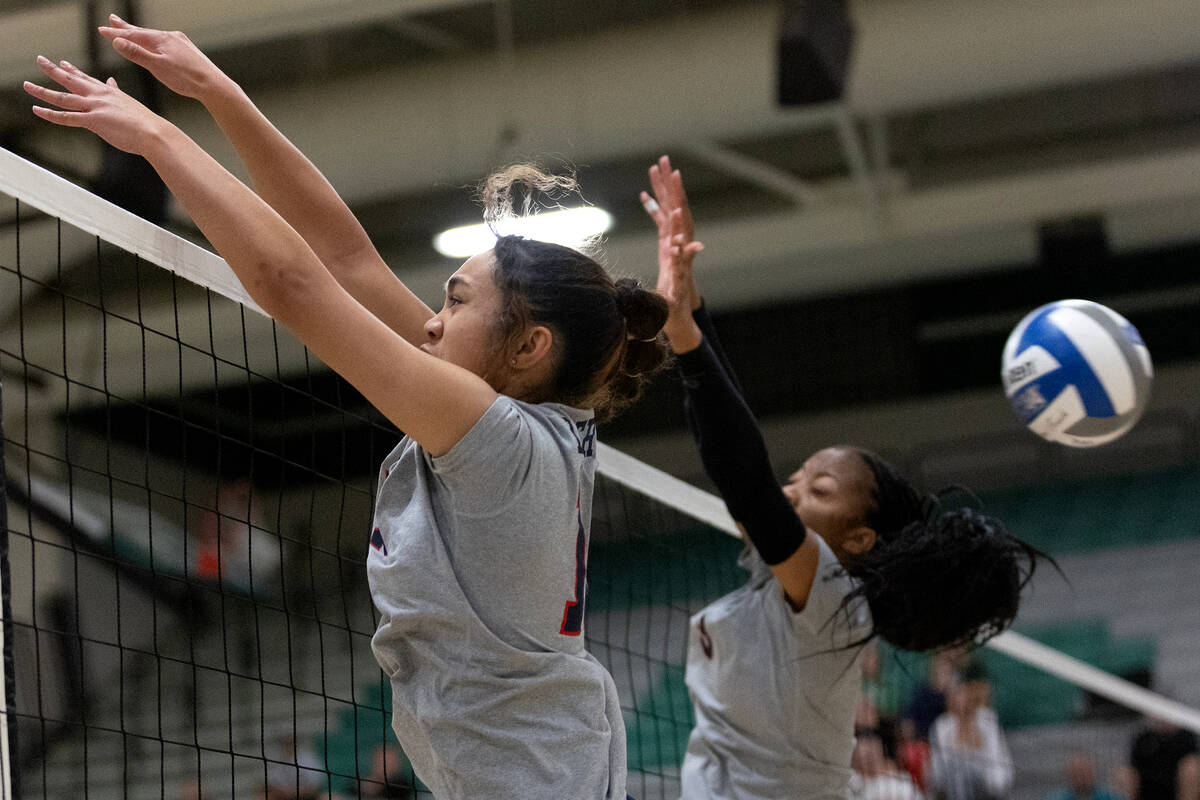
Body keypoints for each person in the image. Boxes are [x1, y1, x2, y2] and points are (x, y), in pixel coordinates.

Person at [25, 20, 671, 799]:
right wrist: (221, 96)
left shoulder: (498, 436)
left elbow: (296, 285)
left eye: (456, 303)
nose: (432, 321)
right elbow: (347, 261)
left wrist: (160, 140)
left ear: (529, 347)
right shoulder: (510, 416)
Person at [641, 155, 1047, 800]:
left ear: (858, 540)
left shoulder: (830, 601)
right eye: (798, 477)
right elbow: (747, 474)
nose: (790, 490)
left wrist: (687, 336)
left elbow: (742, 472)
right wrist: (689, 307)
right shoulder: (793, 591)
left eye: (818, 490)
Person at [927, 681, 1014, 800]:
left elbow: (1001, 769)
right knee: (959, 774)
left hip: (985, 786)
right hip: (952, 785)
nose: (962, 702)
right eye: (956, 696)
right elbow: (936, 771)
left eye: (965, 695)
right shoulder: (942, 727)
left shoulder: (988, 724)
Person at [1045, 753, 1124, 800]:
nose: (1080, 779)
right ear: (1069, 776)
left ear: (1093, 773)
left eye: (1084, 774)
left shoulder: (1110, 797)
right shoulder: (1056, 798)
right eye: (1076, 774)